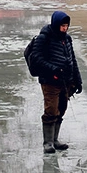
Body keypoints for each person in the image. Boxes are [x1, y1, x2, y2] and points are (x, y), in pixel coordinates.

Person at [28, 10, 82, 154]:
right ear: (56, 24)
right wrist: (54, 69)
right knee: (51, 110)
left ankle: (55, 139)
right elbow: (37, 58)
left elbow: (73, 60)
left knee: (61, 109)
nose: (65, 28)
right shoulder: (44, 38)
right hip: (50, 81)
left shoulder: (67, 39)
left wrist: (78, 80)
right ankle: (48, 142)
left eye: (66, 26)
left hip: (66, 81)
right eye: (62, 25)